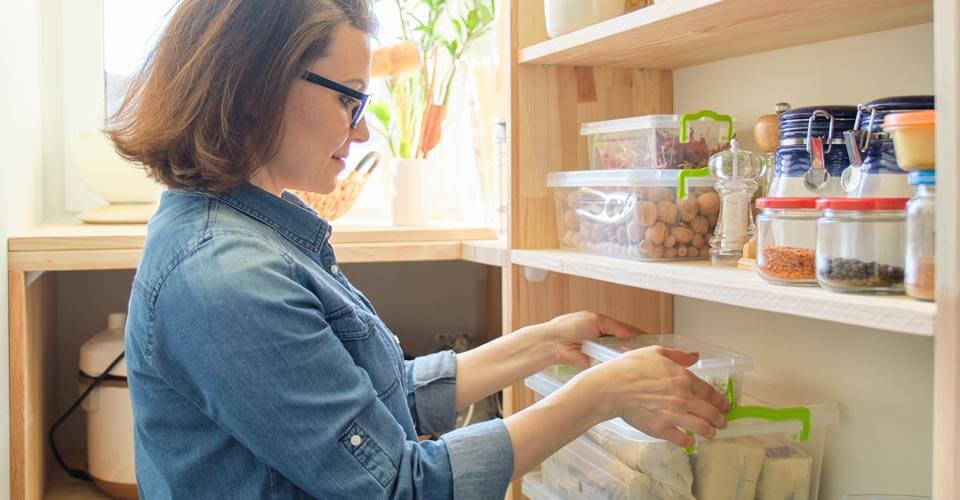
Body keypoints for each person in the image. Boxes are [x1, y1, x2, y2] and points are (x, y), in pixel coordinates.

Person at [108, 1, 730, 498]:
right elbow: (401, 485)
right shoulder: (228, 277)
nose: (363, 128)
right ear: (256, 84)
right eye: (347, 95)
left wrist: (542, 344)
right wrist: (601, 395)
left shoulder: (256, 232)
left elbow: (370, 406)